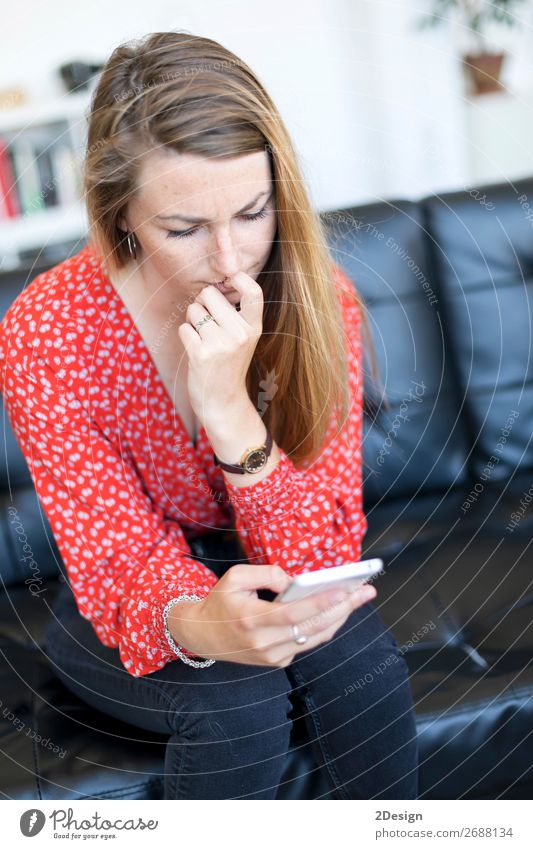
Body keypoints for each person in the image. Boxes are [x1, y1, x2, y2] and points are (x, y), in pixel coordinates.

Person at [0, 30, 418, 799]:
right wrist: (202, 621)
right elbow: (118, 561)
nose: (230, 262)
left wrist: (229, 411)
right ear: (121, 212)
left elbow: (319, 550)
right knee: (239, 699)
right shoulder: (49, 329)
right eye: (184, 229)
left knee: (360, 666)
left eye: (252, 213)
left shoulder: (320, 295)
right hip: (117, 592)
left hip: (268, 563)